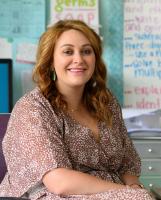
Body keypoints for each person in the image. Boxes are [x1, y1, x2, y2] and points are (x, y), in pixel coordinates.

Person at [0, 20, 153, 200]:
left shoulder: (106, 102)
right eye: (68, 51)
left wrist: (134, 187)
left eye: (86, 51)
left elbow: (127, 165)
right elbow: (58, 182)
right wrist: (126, 193)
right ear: (50, 61)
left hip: (110, 192)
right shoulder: (33, 107)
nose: (79, 59)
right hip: (52, 195)